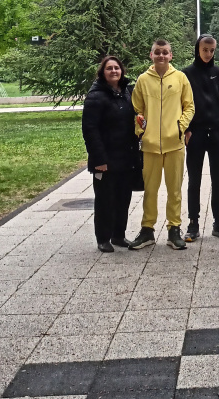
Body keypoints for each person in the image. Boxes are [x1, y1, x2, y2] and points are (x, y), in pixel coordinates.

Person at [129, 39, 195, 251]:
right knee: (150, 190)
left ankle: (174, 229)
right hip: (150, 146)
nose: (161, 56)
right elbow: (137, 109)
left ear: (171, 55)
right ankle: (147, 230)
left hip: (174, 144)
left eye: (165, 52)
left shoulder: (180, 78)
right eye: (157, 52)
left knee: (174, 190)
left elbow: (189, 107)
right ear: (151, 55)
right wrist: (141, 130)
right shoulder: (143, 80)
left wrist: (180, 128)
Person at [82, 55, 141, 253]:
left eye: (117, 68)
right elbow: (90, 129)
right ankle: (103, 238)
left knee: (123, 198)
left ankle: (118, 235)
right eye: (109, 68)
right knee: (105, 200)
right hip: (105, 159)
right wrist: (99, 159)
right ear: (103, 72)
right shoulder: (96, 96)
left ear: (122, 71)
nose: (114, 71)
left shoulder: (126, 92)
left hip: (125, 157)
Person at [183, 34, 219, 241]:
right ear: (198, 49)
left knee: (218, 180)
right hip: (195, 133)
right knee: (194, 180)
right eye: (205, 50)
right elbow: (182, 103)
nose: (208, 54)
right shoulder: (186, 74)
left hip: (217, 133)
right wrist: (186, 130)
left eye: (212, 50)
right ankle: (193, 223)